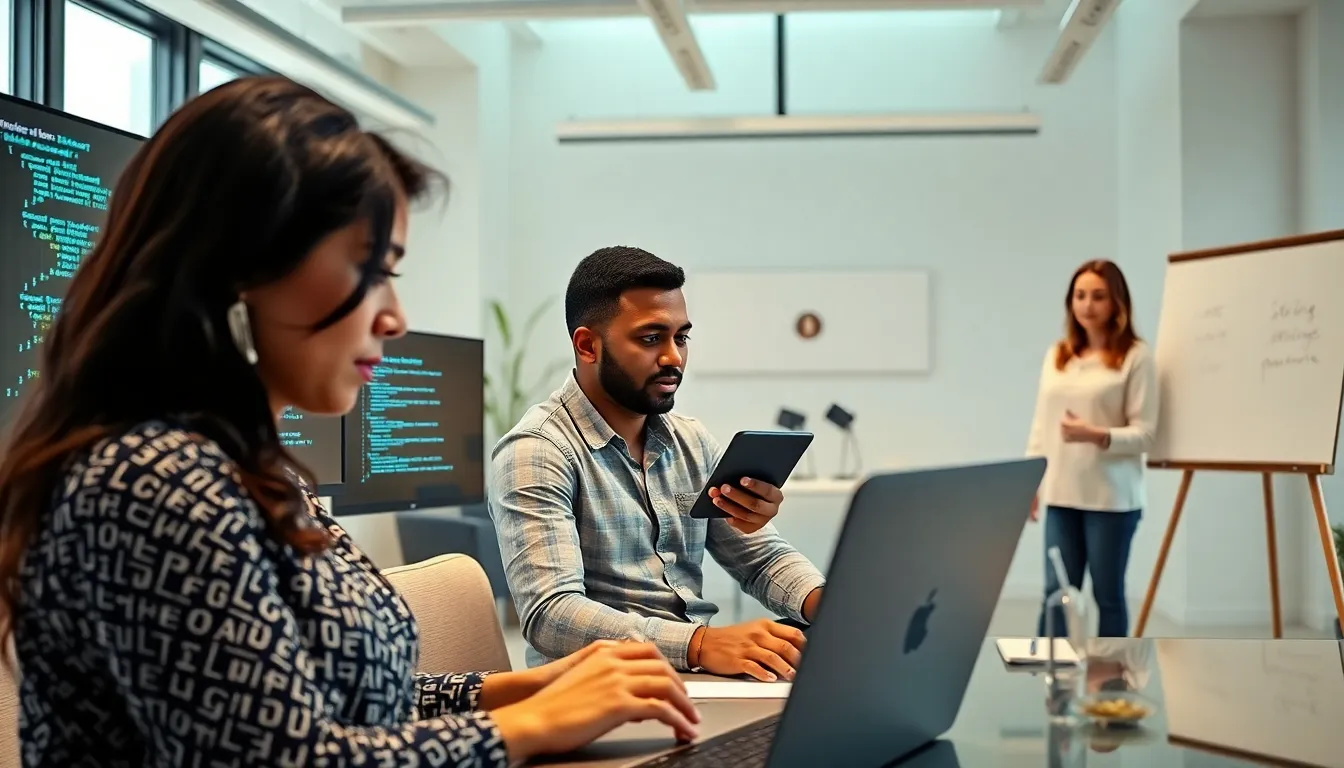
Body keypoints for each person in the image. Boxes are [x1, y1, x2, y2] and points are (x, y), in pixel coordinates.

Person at [0, 77, 699, 767]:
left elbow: (346, 701)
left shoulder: (251, 467)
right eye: (373, 270)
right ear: (242, 267)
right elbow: (280, 759)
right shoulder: (152, 479)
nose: (394, 317)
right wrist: (526, 728)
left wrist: (524, 688)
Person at [490, 246, 826, 682]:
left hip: (695, 678)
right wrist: (701, 645)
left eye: (681, 337)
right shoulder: (535, 451)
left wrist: (834, 608)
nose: (674, 357)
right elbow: (552, 615)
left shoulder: (690, 440)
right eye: (651, 339)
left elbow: (759, 560)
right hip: (596, 692)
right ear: (588, 345)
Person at [1026, 259, 1158, 638]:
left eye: (1098, 296)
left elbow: (1146, 435)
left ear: (1117, 302)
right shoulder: (1058, 355)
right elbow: (1041, 424)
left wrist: (1096, 434)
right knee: (1055, 593)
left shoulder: (1136, 356)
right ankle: (1052, 687)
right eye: (1080, 295)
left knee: (1108, 596)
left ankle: (1111, 690)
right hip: (1060, 494)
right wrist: (1030, 481)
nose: (1087, 305)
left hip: (1111, 500)